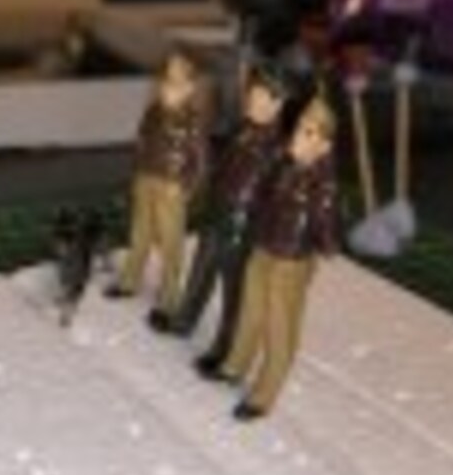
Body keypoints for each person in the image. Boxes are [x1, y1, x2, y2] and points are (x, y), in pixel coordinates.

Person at [204, 97, 339, 421]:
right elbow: (262, 198)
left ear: (324, 146)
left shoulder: (323, 185)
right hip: (264, 247)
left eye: (310, 133)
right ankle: (236, 364)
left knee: (280, 326)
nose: (299, 138)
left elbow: (329, 239)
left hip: (290, 260)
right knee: (251, 310)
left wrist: (322, 221)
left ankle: (265, 393)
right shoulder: (284, 166)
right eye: (300, 129)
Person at [161, 67, 287, 381]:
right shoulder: (242, 130)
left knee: (235, 293)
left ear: (277, 104)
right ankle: (184, 319)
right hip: (217, 214)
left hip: (242, 227)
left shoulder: (277, 150)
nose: (251, 102)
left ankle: (225, 349)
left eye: (260, 97)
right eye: (251, 95)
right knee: (201, 269)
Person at [107, 46, 209, 328]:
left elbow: (200, 162)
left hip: (171, 188)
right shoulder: (152, 111)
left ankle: (168, 298)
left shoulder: (193, 122)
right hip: (146, 181)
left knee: (171, 245)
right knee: (139, 234)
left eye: (177, 81)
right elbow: (141, 144)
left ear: (189, 87)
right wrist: (137, 174)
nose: (168, 87)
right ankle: (130, 280)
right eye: (166, 79)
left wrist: (186, 188)